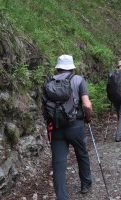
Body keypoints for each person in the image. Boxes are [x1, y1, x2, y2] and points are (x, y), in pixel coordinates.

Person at [41, 54, 93, 199]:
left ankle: (62, 197)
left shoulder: (48, 82)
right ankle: (85, 183)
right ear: (72, 67)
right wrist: (88, 118)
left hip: (56, 128)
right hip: (76, 126)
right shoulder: (78, 80)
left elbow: (44, 108)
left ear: (58, 67)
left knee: (58, 164)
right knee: (82, 154)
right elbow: (87, 105)